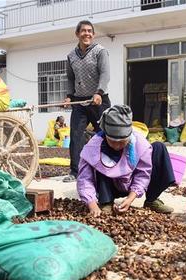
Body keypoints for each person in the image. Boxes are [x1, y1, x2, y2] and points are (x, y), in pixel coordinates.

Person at [77, 105, 176, 216]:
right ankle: (106, 202)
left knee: (159, 148)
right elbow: (84, 179)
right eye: (113, 141)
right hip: (111, 186)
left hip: (131, 183)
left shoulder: (139, 143)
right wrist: (92, 204)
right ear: (105, 135)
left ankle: (151, 200)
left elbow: (143, 174)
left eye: (122, 141)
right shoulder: (94, 146)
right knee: (100, 163)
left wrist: (130, 198)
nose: (118, 145)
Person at [62, 20, 111, 183]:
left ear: (93, 34)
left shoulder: (100, 51)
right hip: (79, 103)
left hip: (99, 100)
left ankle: (108, 168)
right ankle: (75, 171)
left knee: (105, 135)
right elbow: (70, 78)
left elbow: (105, 74)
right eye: (83, 31)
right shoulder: (71, 56)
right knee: (75, 136)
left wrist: (99, 92)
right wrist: (69, 96)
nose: (87, 33)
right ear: (77, 34)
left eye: (90, 31)